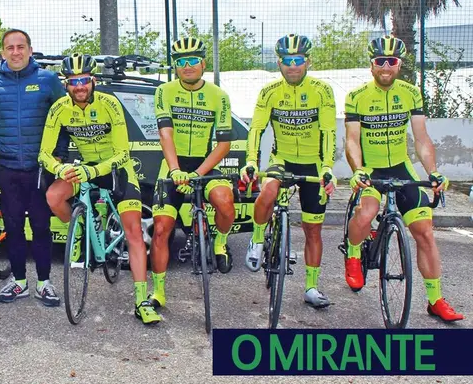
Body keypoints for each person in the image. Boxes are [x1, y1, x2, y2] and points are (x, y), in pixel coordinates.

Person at [343, 36, 463, 322]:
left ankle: (435, 299)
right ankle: (353, 253)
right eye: (380, 61)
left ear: (399, 65)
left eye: (392, 61)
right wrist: (358, 169)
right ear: (371, 65)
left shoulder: (411, 93)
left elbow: (421, 139)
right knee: (366, 213)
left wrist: (433, 171)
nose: (386, 67)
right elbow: (352, 140)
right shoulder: (357, 96)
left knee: (424, 231)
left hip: (401, 166)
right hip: (371, 169)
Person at [39, 54, 159, 325]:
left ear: (92, 80)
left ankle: (141, 301)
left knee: (134, 234)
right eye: (72, 81)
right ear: (66, 83)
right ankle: (81, 228)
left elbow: (122, 153)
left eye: (83, 80)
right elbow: (44, 154)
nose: (79, 86)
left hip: (116, 170)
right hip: (85, 168)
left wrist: (93, 171)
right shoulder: (59, 108)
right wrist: (59, 170)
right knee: (53, 196)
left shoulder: (110, 104)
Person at [242, 34, 337, 309]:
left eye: (298, 61)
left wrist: (328, 167)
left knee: (313, 230)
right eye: (287, 61)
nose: (292, 66)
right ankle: (258, 240)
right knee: (268, 191)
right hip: (281, 159)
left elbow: (329, 131)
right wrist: (251, 161)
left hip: (313, 164)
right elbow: (256, 129)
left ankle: (311, 286)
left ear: (308, 61)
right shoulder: (269, 91)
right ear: (279, 63)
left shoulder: (322, 90)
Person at [149, 37, 236, 309]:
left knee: (225, 201)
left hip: (205, 163)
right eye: (181, 62)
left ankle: (220, 242)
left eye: (192, 61)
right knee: (161, 230)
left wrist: (197, 173)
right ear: (175, 66)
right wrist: (175, 170)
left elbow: (224, 144)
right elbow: (166, 134)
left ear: (203, 63)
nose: (187, 66)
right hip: (173, 166)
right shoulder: (164, 91)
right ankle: (158, 292)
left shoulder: (218, 96)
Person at [0, 29, 67, 306]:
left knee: (41, 227)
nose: (16, 52)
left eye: (21, 47)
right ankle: (19, 282)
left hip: (40, 169)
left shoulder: (48, 79)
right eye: (10, 47)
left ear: (30, 50)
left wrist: (59, 158)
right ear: (2, 52)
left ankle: (44, 283)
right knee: (14, 227)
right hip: (6, 169)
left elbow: (64, 119)